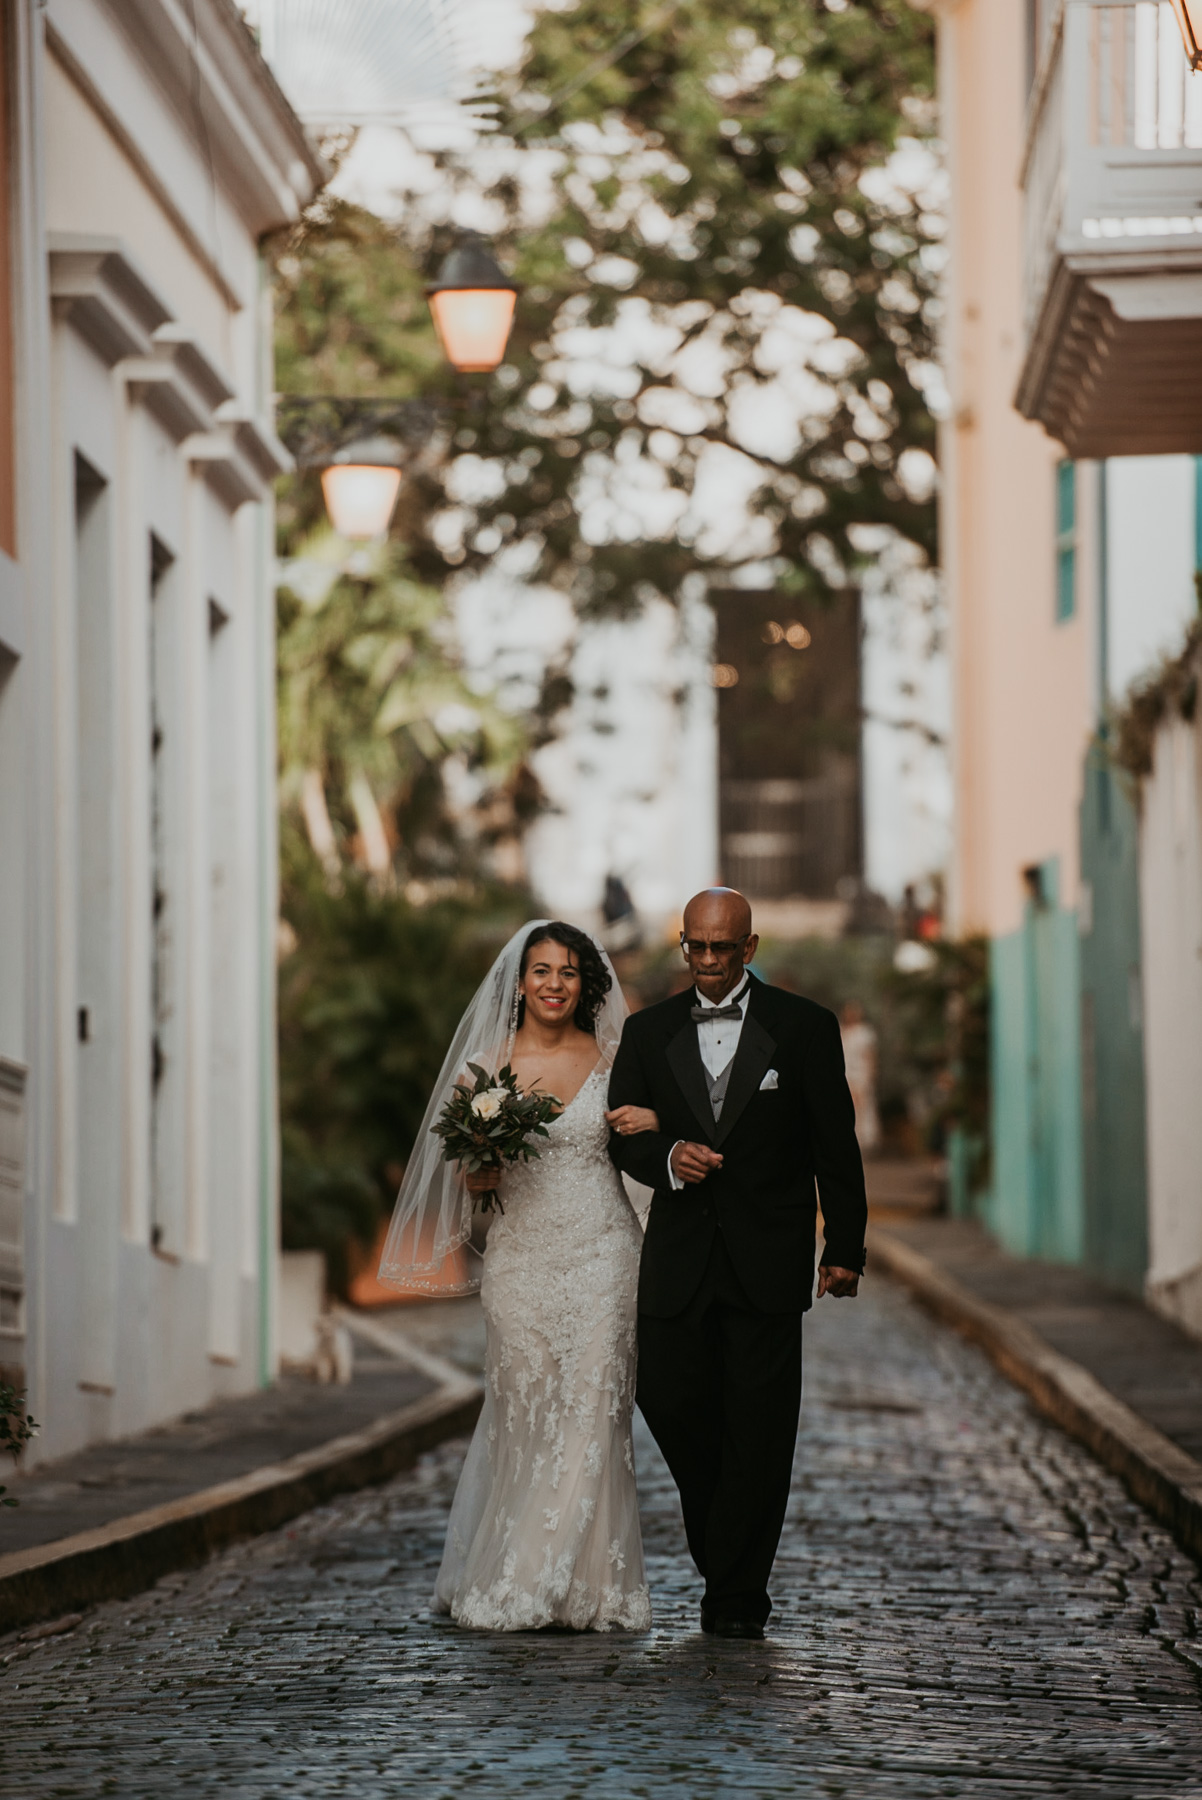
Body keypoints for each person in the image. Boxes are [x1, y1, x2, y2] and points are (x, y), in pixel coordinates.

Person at [378, 920, 658, 1632]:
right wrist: (482, 1172)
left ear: (584, 984)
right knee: (526, 1411)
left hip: (603, 1252)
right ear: (520, 981)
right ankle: (513, 1569)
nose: (555, 984)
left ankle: (570, 1583)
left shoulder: (617, 1060)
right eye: (541, 971)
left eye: (568, 972)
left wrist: (653, 1121)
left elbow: (643, 1151)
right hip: (522, 1260)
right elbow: (471, 1190)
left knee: (594, 1408)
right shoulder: (484, 1071)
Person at [607, 887, 867, 1640]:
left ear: (749, 948)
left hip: (768, 1260)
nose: (710, 962)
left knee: (761, 1427)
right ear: (682, 945)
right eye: (697, 947)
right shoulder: (649, 1032)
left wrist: (843, 1248)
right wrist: (666, 1156)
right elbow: (621, 1134)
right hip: (679, 1261)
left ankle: (735, 1597)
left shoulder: (805, 1028)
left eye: (724, 948)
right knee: (670, 1397)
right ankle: (728, 1542)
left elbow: (834, 1143)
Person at [839, 1000, 881, 1154]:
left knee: (863, 1106)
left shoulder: (865, 1032)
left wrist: (870, 1074)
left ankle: (864, 1141)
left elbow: (870, 1055)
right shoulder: (843, 1030)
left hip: (861, 1073)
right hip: (846, 1072)